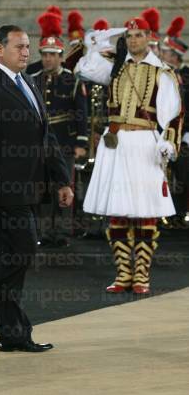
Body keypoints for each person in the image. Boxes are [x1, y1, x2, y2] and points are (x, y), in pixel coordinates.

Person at [0, 25, 73, 352]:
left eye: (28, 47)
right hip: (2, 190)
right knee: (24, 251)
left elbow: (45, 136)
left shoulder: (31, 82)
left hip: (31, 187)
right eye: (20, 46)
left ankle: (14, 334)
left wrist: (62, 179)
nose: (27, 52)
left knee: (15, 258)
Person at [76, 17, 183, 294]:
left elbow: (173, 115)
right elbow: (83, 70)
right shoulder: (115, 67)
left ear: (149, 36)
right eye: (130, 35)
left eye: (138, 35)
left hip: (144, 145)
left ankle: (142, 275)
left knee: (145, 213)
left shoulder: (163, 73)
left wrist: (168, 143)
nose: (133, 40)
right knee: (118, 212)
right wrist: (95, 43)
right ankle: (123, 273)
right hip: (116, 144)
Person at [32, 11, 88, 247]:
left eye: (53, 55)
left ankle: (62, 232)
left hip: (65, 141)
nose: (48, 60)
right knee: (42, 188)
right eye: (45, 55)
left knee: (64, 187)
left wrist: (81, 143)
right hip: (39, 142)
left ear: (61, 56)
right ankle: (44, 233)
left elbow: (81, 114)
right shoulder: (33, 79)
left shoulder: (73, 81)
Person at [161, 16, 189, 225]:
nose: (162, 54)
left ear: (176, 57)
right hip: (161, 131)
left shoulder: (186, 77)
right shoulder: (159, 75)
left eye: (166, 52)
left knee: (182, 171)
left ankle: (179, 213)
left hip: (184, 134)